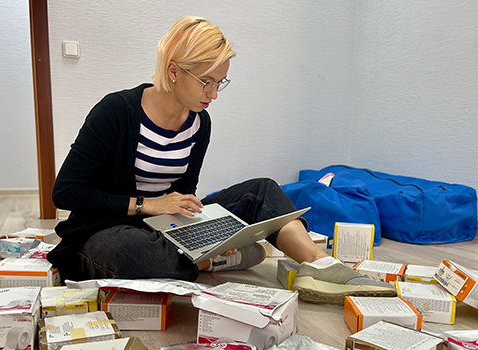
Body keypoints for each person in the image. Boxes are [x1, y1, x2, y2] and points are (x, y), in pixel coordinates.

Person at [47, 16, 395, 305]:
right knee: (144, 256)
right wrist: (147, 205)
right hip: (104, 231)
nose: (213, 94)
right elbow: (66, 192)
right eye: (206, 82)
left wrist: (181, 213)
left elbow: (183, 193)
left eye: (220, 83)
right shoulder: (116, 111)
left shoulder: (199, 121)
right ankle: (216, 257)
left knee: (262, 191)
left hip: (162, 227)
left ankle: (322, 267)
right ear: (173, 71)